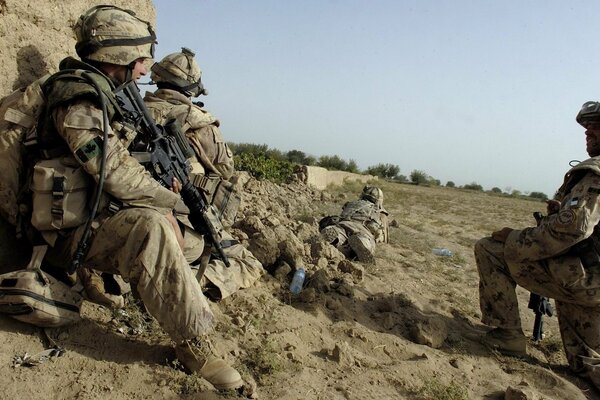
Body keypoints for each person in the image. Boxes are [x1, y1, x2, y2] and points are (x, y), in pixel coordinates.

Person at [23, 5, 243, 390]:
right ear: (118, 56)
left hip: (85, 220)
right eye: (140, 61)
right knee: (153, 227)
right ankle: (194, 344)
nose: (144, 71)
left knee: (173, 228)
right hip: (59, 238)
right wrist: (168, 200)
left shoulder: (104, 95)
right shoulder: (78, 97)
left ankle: (151, 297)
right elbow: (113, 173)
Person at [474, 100, 600, 390]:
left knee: (490, 249)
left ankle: (507, 336)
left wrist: (514, 237)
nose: (588, 131)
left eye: (597, 126)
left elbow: (571, 231)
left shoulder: (594, 174)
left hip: (583, 280)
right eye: (587, 126)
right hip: (592, 281)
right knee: (588, 362)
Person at [143, 48, 263, 300]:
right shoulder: (197, 120)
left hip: (136, 212)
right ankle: (182, 286)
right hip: (178, 220)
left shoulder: (138, 109)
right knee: (246, 262)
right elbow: (225, 168)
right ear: (191, 88)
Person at [319, 186, 389, 264]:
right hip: (363, 230)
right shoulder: (381, 212)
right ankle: (355, 247)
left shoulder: (351, 203)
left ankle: (337, 239)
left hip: (344, 225)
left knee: (338, 232)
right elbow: (382, 236)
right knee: (365, 241)